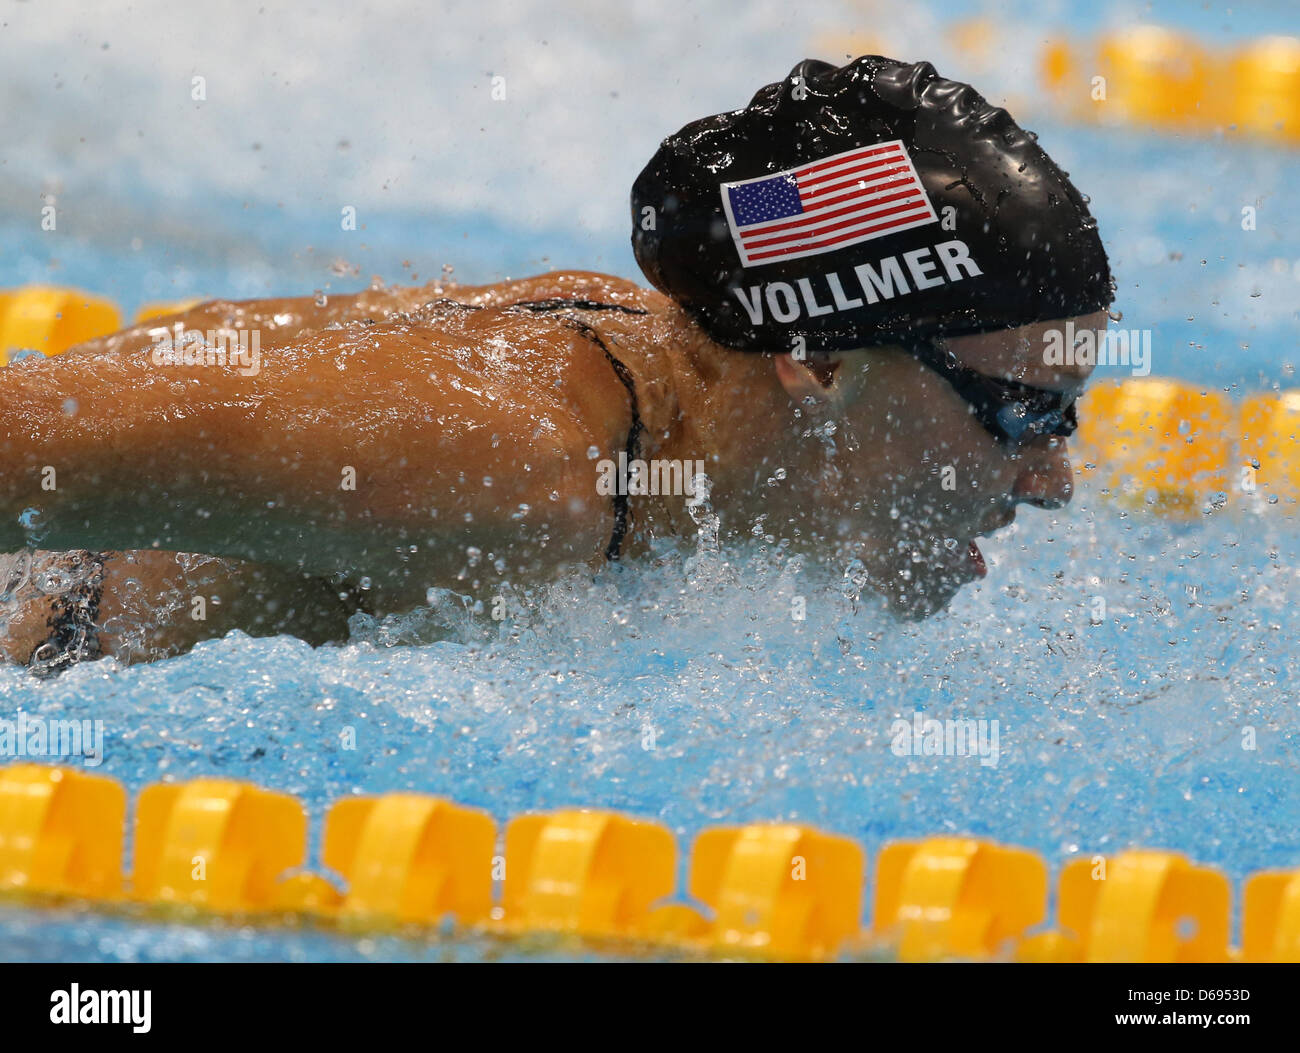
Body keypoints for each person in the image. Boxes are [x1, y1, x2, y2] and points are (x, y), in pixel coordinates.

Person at [0, 56, 1113, 670]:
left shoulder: (657, 399)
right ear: (816, 360)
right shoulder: (521, 462)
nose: (1051, 484)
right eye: (1021, 415)